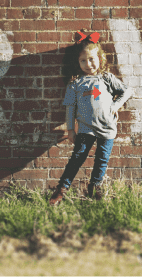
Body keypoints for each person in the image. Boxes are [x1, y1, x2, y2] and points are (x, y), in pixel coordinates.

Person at [49, 34, 132, 205]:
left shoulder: (107, 78)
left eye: (92, 59)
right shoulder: (75, 83)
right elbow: (70, 108)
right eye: (83, 61)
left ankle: (94, 189)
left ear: (100, 58)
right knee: (77, 157)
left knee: (102, 159)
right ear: (77, 63)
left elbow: (127, 91)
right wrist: (71, 129)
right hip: (86, 128)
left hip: (107, 128)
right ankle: (61, 189)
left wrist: (115, 106)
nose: (89, 64)